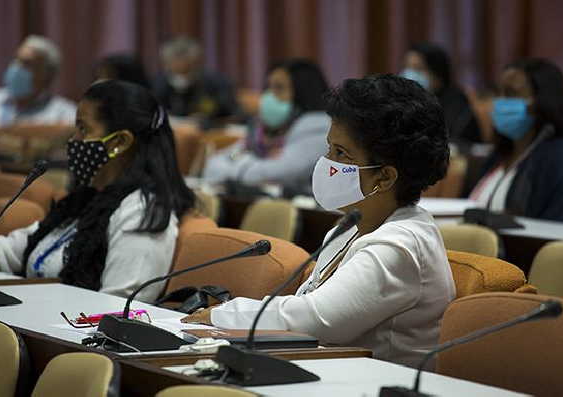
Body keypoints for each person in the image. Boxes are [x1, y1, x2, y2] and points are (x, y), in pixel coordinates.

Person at [184, 74, 456, 368]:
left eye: (341, 153)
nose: (327, 162)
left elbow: (315, 319)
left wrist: (221, 314)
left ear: (385, 176)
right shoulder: (349, 227)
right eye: (329, 148)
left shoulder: (400, 246)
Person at [0, 80, 198, 302]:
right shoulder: (87, 199)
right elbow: (9, 251)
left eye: (83, 129)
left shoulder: (141, 211)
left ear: (119, 142)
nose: (74, 140)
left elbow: (118, 306)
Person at [468, 58, 563, 222]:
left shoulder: (562, 157)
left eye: (511, 94)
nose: (500, 101)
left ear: (543, 101)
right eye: (500, 93)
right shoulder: (499, 155)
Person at [202, 59, 331, 196]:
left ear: (304, 92)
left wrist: (240, 164)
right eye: (268, 87)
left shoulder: (318, 129)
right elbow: (213, 165)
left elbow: (274, 173)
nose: (269, 96)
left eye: (279, 88)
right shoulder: (263, 132)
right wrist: (247, 166)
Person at [0, 35, 76, 141]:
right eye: (16, 60)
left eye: (27, 64)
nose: (16, 68)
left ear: (47, 75)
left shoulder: (64, 114)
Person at [401, 42, 482, 149]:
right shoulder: (404, 100)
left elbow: (454, 142)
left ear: (438, 73)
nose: (410, 73)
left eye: (418, 68)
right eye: (407, 67)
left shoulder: (456, 102)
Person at [152, 36, 238, 128]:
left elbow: (233, 113)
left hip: (211, 132)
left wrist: (207, 118)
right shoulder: (158, 83)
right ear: (166, 64)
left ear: (196, 63)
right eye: (176, 69)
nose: (181, 74)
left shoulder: (216, 82)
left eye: (186, 69)